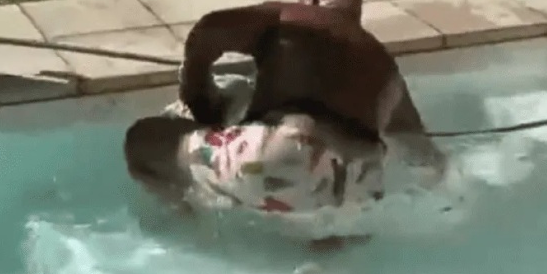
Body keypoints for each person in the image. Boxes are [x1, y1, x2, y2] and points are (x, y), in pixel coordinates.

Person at [179, 0, 447, 183]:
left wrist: (197, 92)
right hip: (355, 183)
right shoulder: (385, 66)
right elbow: (420, 147)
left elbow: (208, 29)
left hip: (284, 155)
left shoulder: (290, 15)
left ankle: (187, 216)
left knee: (160, 141)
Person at [125, 74, 386, 251]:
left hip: (261, 190)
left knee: (310, 203)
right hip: (273, 147)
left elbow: (188, 209)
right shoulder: (196, 136)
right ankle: (366, 152)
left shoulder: (189, 185)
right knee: (301, 123)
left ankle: (332, 241)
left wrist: (184, 214)